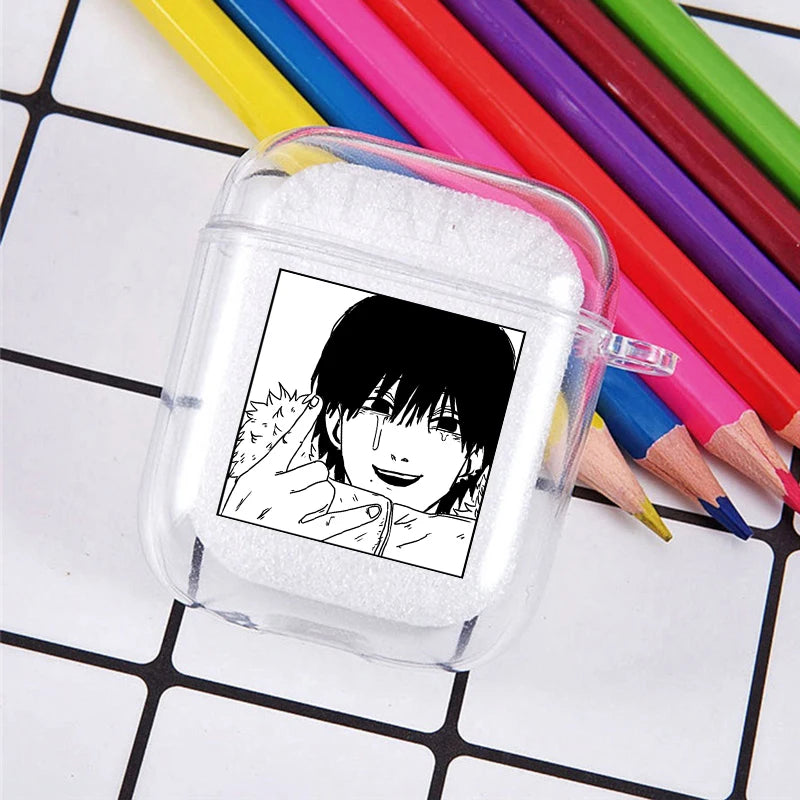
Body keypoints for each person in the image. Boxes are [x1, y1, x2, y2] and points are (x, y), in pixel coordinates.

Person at [223, 294, 517, 575]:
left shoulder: (480, 555)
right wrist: (244, 523)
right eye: (379, 408)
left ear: (475, 457)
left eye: (445, 425)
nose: (401, 452)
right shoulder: (260, 503)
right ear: (335, 421)